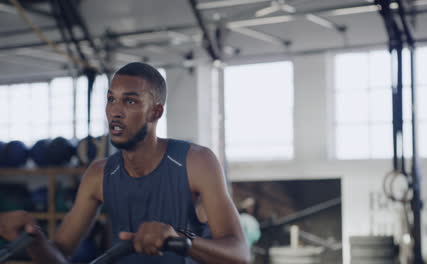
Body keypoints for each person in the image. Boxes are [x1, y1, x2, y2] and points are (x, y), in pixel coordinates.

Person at [0, 62, 250, 264]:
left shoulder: (196, 161)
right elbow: (60, 254)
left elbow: (240, 254)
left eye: (130, 101)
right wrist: (34, 241)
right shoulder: (99, 174)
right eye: (111, 99)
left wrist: (181, 240)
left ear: (156, 112)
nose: (115, 111)